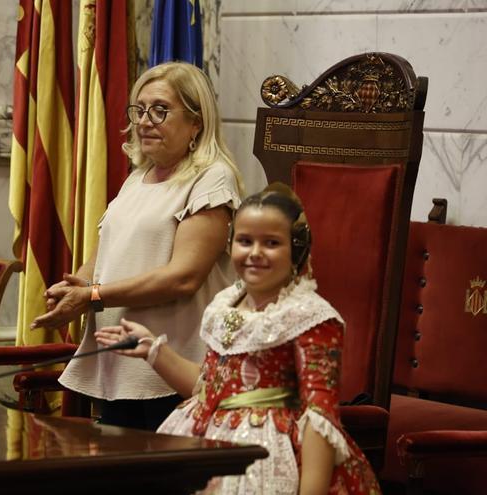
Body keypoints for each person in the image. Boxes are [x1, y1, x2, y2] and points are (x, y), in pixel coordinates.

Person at [95, 184, 381, 494]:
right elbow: (208, 388)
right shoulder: (225, 302)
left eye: (271, 243)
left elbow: (320, 419)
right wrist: (155, 352)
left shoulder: (310, 316)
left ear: (296, 249)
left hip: (270, 452)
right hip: (208, 439)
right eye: (245, 241)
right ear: (231, 245)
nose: (255, 253)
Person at [30, 62, 245, 431]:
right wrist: (76, 286)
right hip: (122, 362)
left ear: (196, 122)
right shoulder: (137, 178)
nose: (145, 121)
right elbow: (106, 255)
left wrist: (94, 296)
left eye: (160, 110)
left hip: (175, 365)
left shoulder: (212, 179)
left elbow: (183, 278)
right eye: (139, 109)